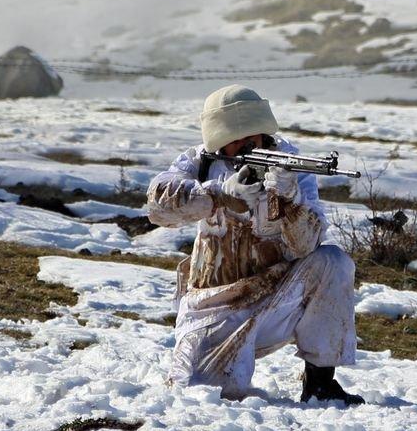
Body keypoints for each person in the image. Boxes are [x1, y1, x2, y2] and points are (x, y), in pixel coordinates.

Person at [146, 84, 364, 405]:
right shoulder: (200, 161)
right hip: (213, 306)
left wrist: (291, 199)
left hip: (278, 297)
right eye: (234, 139)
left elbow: (308, 246)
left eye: (250, 136)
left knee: (333, 262)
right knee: (201, 392)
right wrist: (218, 193)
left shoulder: (289, 165)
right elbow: (157, 206)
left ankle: (320, 384)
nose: (244, 144)